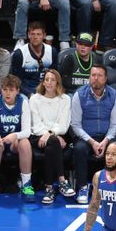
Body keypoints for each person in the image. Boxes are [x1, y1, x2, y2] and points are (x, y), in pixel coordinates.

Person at [70, 64, 116, 204]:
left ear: (105, 78)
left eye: (99, 76)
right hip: (86, 137)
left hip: (107, 136)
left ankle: (110, 186)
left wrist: (105, 141)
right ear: (89, 77)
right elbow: (75, 124)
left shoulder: (115, 95)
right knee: (79, 148)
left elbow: (115, 124)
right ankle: (82, 186)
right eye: (93, 75)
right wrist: (92, 142)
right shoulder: (79, 95)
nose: (96, 79)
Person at [0, 73, 34, 203]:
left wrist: (14, 136)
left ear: (17, 91)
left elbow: (27, 131)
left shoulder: (23, 103)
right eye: (5, 89)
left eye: (11, 90)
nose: (7, 93)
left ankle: (26, 184)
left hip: (14, 141)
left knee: (25, 143)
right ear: (1, 90)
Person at [30, 69, 75, 205]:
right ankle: (62, 181)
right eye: (46, 79)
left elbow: (63, 125)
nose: (49, 82)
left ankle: (49, 188)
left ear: (58, 83)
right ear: (43, 82)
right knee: (54, 141)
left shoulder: (65, 99)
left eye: (52, 80)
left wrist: (50, 134)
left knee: (52, 145)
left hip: (57, 136)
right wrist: (48, 134)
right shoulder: (34, 99)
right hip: (38, 136)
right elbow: (36, 124)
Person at [10, 21, 57, 98]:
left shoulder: (52, 52)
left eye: (38, 34)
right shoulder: (19, 54)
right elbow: (17, 81)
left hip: (47, 89)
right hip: (26, 92)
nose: (35, 37)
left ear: (44, 36)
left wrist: (49, 92)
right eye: (33, 34)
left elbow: (55, 77)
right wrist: (30, 94)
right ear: (28, 35)